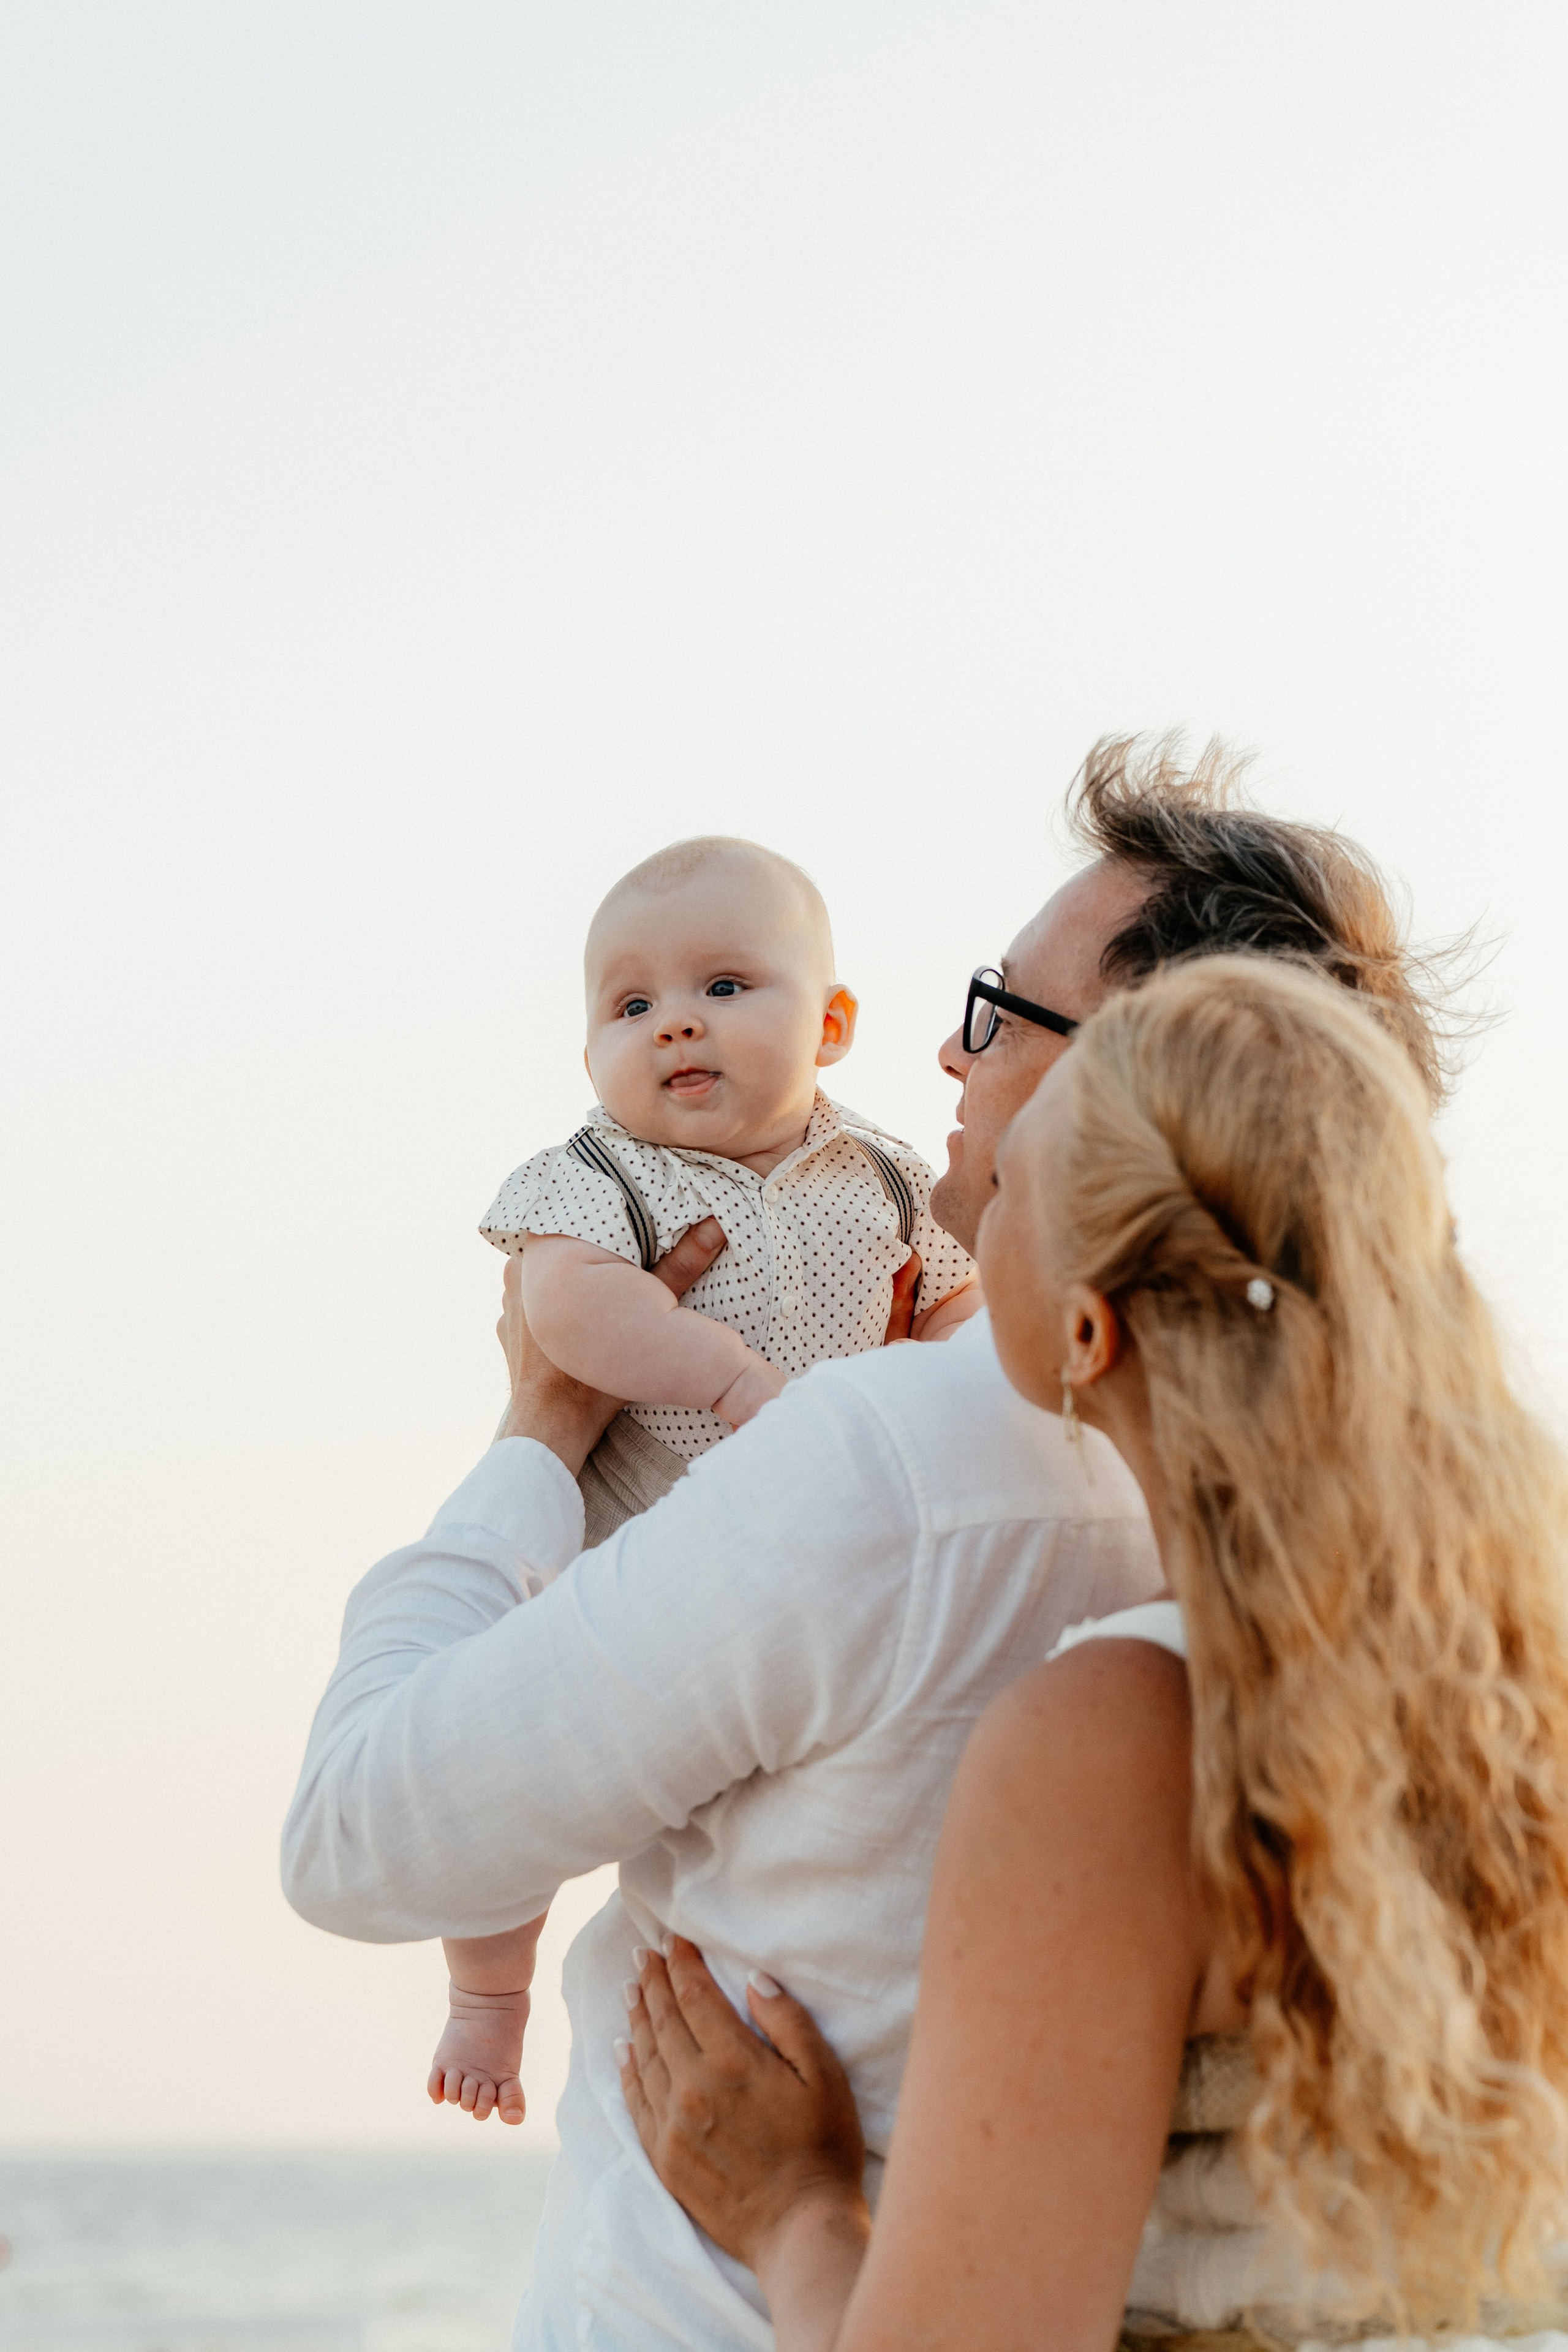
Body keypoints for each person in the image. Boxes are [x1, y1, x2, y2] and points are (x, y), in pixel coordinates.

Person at [282, 739, 1448, 2352]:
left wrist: (539, 1427)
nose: (950, 1057)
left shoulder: (896, 1471)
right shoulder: (1420, 1555)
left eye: (1002, 1012)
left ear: (1149, 1088)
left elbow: (358, 1837)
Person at [618, 955, 1568, 2352]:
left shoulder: (1122, 1734)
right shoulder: (1518, 1670)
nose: (976, 1213)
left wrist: (793, 2211)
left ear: (1084, 1329)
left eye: (1005, 1192)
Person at [435, 835, 976, 2124]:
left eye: (724, 987)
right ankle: (488, 1992)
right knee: (505, 1755)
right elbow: (565, 1307)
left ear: (830, 1025)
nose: (674, 1021)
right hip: (627, 1523)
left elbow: (959, 1311)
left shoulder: (892, 1175)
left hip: (808, 1552)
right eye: (631, 1005)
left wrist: (950, 1390)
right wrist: (727, 1379)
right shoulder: (600, 1173)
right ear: (590, 1056)